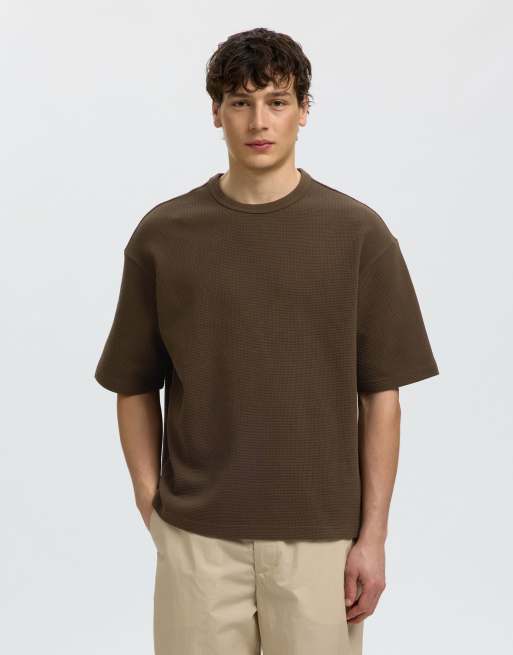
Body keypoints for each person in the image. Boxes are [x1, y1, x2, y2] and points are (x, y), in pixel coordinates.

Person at [94, 27, 439, 655]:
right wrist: (152, 506)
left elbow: (381, 397)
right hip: (198, 539)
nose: (259, 121)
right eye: (240, 102)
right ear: (216, 112)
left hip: (321, 541)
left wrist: (373, 537)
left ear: (304, 111)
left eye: (277, 101)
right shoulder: (163, 236)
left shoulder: (358, 234)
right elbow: (133, 384)